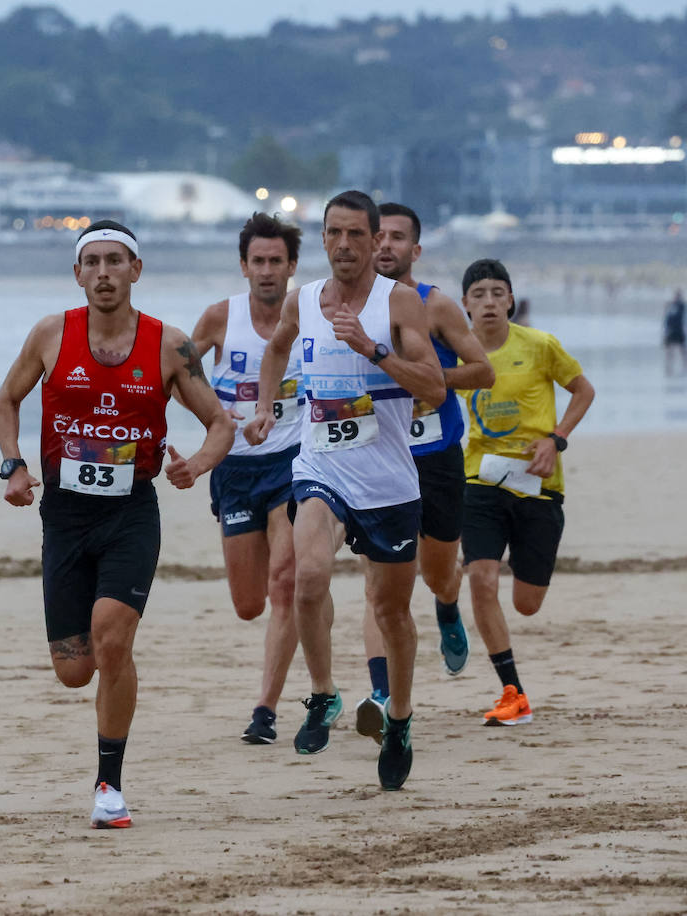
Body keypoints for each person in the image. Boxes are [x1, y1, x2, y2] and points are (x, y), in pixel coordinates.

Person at [0, 220, 234, 828]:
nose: (104, 273)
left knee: (111, 636)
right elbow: (6, 400)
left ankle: (109, 786)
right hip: (66, 518)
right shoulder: (52, 335)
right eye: (92, 262)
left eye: (115, 261)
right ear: (77, 274)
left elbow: (221, 423)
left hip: (131, 514)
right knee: (76, 670)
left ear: (136, 270)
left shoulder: (168, 346)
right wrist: (14, 465)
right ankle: (113, 669)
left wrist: (197, 467)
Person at [245, 191, 445, 791]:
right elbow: (277, 349)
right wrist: (263, 408)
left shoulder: (398, 303)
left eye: (358, 234)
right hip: (320, 466)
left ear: (378, 240)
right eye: (335, 233)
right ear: (324, 237)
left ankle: (401, 718)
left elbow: (433, 387)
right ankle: (323, 694)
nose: (346, 245)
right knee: (305, 578)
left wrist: (372, 349)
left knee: (391, 611)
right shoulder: (305, 299)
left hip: (386, 480)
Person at [350, 203, 495, 744]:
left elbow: (484, 371)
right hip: (377, 456)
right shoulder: (349, 308)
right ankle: (384, 692)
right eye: (378, 236)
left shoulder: (436, 306)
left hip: (435, 458)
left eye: (397, 238)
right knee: (379, 586)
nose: (385, 245)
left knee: (435, 573)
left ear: (415, 249)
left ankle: (448, 603)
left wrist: (426, 379)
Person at [457, 259, 595, 727]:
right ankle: (512, 692)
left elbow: (583, 391)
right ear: (465, 305)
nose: (489, 302)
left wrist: (555, 440)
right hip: (479, 481)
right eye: (479, 294)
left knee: (526, 604)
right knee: (480, 579)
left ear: (511, 300)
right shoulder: (457, 355)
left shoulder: (539, 345)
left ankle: (514, 561)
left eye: (498, 293)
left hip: (538, 486)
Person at [189, 212, 304, 745]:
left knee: (286, 584)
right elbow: (180, 380)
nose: (266, 271)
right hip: (235, 468)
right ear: (242, 266)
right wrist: (215, 418)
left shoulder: (313, 316)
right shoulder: (218, 318)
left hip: (295, 463)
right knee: (248, 603)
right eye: (257, 261)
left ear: (291, 266)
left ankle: (266, 710)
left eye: (275, 261)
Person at [664, 290, 687, 377]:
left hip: (678, 330)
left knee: (682, 348)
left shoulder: (681, 305)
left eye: (677, 296)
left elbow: (679, 315)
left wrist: (672, 304)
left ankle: (686, 363)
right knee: (669, 348)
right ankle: (668, 363)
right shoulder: (672, 306)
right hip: (671, 330)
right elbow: (667, 319)